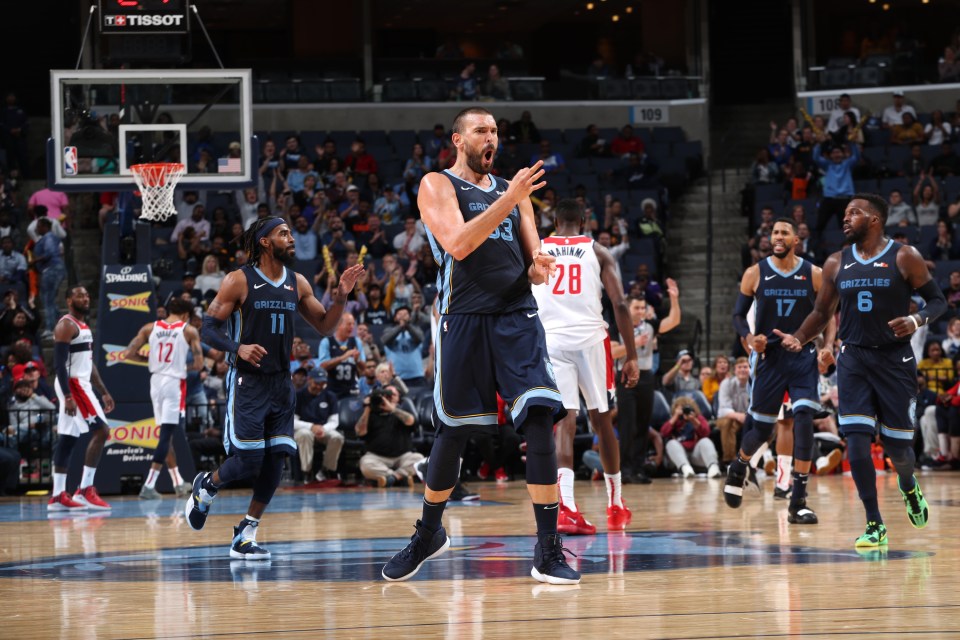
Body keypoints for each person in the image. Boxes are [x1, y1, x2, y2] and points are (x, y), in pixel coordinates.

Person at [381, 107, 577, 585]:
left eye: (495, 131)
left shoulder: (514, 193)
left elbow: (535, 257)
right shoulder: (437, 185)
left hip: (517, 316)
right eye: (481, 131)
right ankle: (428, 533)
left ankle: (547, 548)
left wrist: (540, 264)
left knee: (539, 417)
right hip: (463, 318)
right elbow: (460, 245)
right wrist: (509, 198)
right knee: (454, 432)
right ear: (458, 139)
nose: (491, 137)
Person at [185, 216, 364, 559]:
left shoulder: (297, 282)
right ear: (265, 241)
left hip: (281, 383)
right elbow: (208, 328)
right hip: (248, 381)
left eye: (291, 233)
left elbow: (325, 326)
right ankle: (207, 485)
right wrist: (237, 348)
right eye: (284, 233)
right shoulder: (238, 280)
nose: (291, 238)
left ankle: (245, 533)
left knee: (277, 460)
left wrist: (341, 295)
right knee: (250, 459)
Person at [777, 193, 947, 548]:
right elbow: (822, 313)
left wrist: (916, 319)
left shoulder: (904, 256)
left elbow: (938, 301)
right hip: (853, 360)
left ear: (874, 220)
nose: (845, 218)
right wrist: (799, 337)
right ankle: (875, 523)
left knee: (899, 451)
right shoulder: (837, 263)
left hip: (894, 361)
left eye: (854, 213)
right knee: (855, 445)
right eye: (844, 213)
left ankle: (907, 484)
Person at [530, 199, 639, 534]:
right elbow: (619, 303)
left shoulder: (539, 249)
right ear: (585, 219)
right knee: (602, 419)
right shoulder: (598, 251)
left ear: (554, 220)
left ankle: (566, 507)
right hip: (591, 339)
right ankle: (616, 504)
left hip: (552, 339)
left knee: (565, 421)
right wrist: (632, 355)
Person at [725, 218, 836, 525]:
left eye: (784, 232)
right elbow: (736, 315)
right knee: (761, 430)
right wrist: (750, 340)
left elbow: (829, 314)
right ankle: (739, 466)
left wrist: (828, 346)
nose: (777, 236)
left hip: (802, 358)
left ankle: (797, 501)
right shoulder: (754, 273)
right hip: (769, 359)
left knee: (802, 419)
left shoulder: (813, 273)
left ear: (795, 240)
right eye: (774, 232)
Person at [122, 297, 204, 499]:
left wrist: (148, 359)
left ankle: (177, 482)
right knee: (166, 436)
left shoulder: (150, 327)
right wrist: (183, 367)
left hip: (155, 382)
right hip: (173, 383)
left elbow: (128, 354)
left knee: (165, 436)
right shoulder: (189, 330)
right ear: (186, 315)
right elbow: (199, 364)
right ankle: (149, 485)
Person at [47, 286, 116, 512]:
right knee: (102, 430)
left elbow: (89, 364)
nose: (85, 298)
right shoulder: (66, 325)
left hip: (80, 382)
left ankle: (58, 495)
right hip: (73, 384)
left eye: (87, 295)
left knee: (68, 437)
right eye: (79, 295)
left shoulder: (84, 326)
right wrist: (67, 395)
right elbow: (58, 364)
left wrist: (103, 391)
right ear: (68, 300)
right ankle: (85, 489)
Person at [357, 385, 423, 486]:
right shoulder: (371, 413)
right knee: (365, 463)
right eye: (386, 394)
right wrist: (367, 407)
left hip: (403, 456)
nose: (389, 397)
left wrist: (392, 409)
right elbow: (359, 432)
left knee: (419, 459)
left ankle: (390, 479)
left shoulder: (403, 411)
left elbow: (410, 421)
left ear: (398, 398)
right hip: (376, 456)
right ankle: (400, 477)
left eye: (393, 394)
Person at [293, 368, 343, 484]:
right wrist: (311, 427)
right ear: (309, 380)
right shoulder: (298, 396)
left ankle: (326, 470)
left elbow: (334, 421)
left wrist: (323, 429)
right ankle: (307, 472)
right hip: (304, 429)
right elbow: (292, 421)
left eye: (323, 383)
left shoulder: (330, 396)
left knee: (338, 437)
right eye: (317, 383)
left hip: (324, 429)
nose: (320, 386)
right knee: (304, 435)